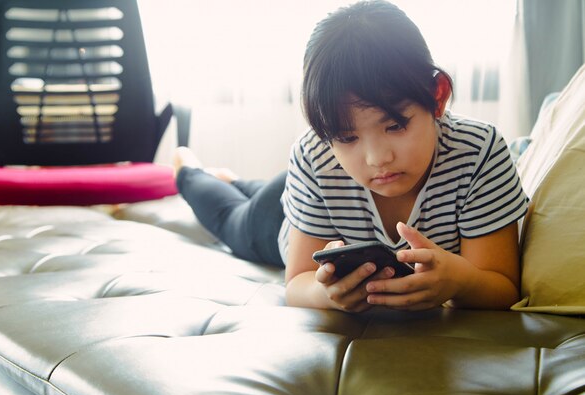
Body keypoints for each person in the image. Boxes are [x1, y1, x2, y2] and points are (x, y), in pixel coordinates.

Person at [173, 0, 529, 313]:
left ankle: (236, 181)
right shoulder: (314, 155)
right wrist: (326, 294)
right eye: (347, 136)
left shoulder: (479, 151)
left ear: (438, 96)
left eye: (394, 126)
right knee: (231, 219)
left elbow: (501, 286)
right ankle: (189, 169)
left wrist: (460, 281)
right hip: (281, 214)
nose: (377, 158)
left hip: (321, 188)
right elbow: (298, 283)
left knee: (256, 187)